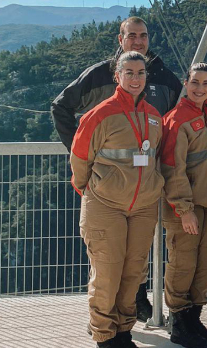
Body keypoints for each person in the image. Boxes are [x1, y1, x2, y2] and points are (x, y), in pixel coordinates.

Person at [51, 16, 181, 321]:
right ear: (120, 40)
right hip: (107, 188)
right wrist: (86, 165)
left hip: (145, 185)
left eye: (143, 35)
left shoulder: (163, 77)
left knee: (137, 255)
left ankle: (134, 307)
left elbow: (177, 122)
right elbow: (61, 107)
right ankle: (104, 324)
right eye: (131, 35)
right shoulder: (99, 75)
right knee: (108, 259)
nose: (138, 41)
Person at [70, 51, 165, 348]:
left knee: (133, 273)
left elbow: (156, 157)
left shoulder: (154, 116)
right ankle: (104, 335)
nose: (136, 78)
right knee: (107, 273)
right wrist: (91, 190)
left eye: (141, 73)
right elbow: (80, 158)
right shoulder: (100, 114)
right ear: (118, 76)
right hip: (105, 205)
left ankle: (124, 331)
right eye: (129, 73)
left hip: (143, 207)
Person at [160, 63, 207, 348]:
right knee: (183, 262)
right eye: (195, 82)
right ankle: (178, 322)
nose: (200, 88)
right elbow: (172, 168)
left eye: (206, 83)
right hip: (187, 206)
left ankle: (194, 317)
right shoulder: (176, 120)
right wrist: (184, 209)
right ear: (186, 84)